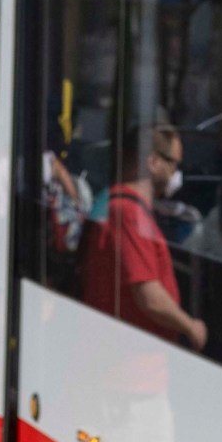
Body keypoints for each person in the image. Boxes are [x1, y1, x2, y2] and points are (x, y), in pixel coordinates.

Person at [56, 119, 204, 350]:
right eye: (174, 164)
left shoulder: (116, 202)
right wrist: (190, 327)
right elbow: (149, 297)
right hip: (130, 368)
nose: (176, 174)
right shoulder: (128, 213)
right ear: (152, 161)